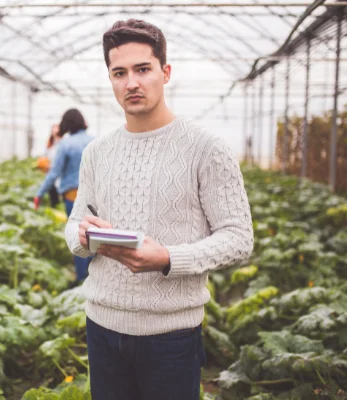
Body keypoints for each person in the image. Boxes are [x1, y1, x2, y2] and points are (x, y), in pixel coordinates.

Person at [64, 20, 254, 400]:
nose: (131, 82)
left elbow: (239, 238)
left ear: (165, 73)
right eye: (119, 73)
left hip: (172, 337)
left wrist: (168, 258)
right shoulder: (97, 153)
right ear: (111, 80)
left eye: (142, 69)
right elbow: (73, 226)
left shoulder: (206, 147)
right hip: (102, 326)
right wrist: (83, 236)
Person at [34, 109, 94, 283]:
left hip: (73, 197)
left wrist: (39, 194)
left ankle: (81, 279)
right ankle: (94, 276)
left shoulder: (66, 145)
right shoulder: (96, 141)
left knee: (79, 238)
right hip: (95, 197)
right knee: (94, 237)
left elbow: (54, 173)